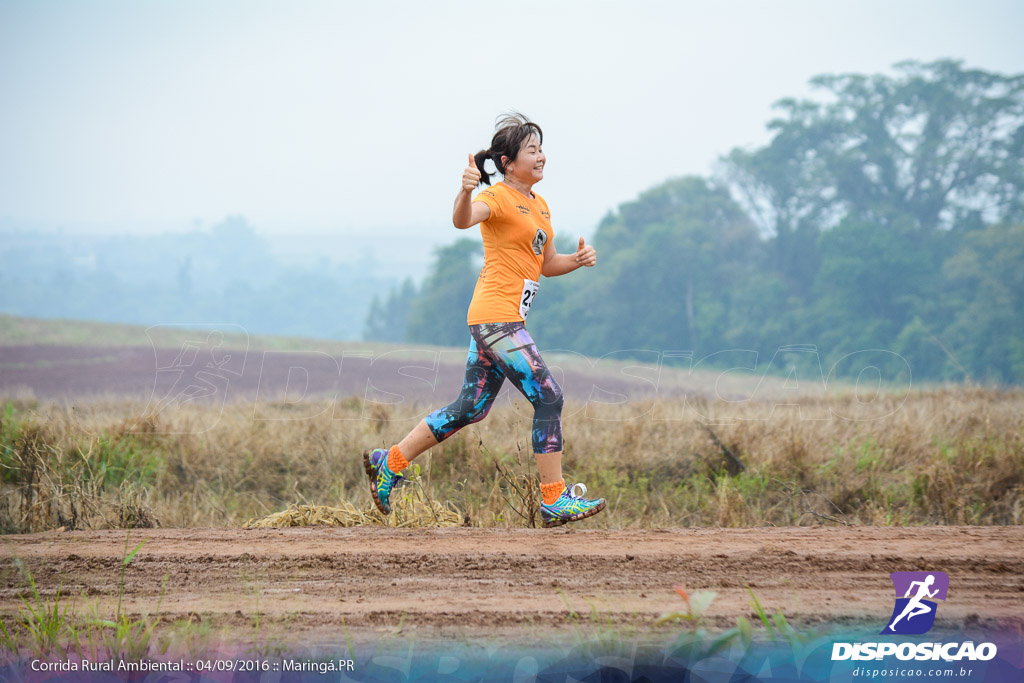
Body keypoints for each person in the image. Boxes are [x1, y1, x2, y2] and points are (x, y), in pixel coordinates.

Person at [363, 113, 606, 528]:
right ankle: (554, 498)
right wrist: (464, 191)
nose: (542, 156)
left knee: (469, 408)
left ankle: (391, 461)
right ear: (509, 162)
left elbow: (546, 264)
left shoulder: (540, 206)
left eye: (542, 149)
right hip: (497, 320)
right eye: (533, 150)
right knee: (548, 397)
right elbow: (461, 220)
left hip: (501, 321)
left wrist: (577, 262)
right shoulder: (495, 197)